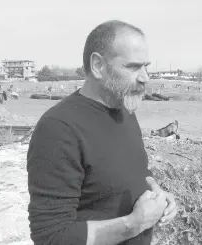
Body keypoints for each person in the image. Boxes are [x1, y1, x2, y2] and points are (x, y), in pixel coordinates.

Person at [27, 20, 177, 245]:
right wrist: (133, 224)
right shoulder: (59, 129)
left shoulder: (125, 110)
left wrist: (158, 196)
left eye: (146, 66)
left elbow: (123, 175)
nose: (145, 76)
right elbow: (51, 236)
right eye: (133, 67)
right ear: (98, 65)